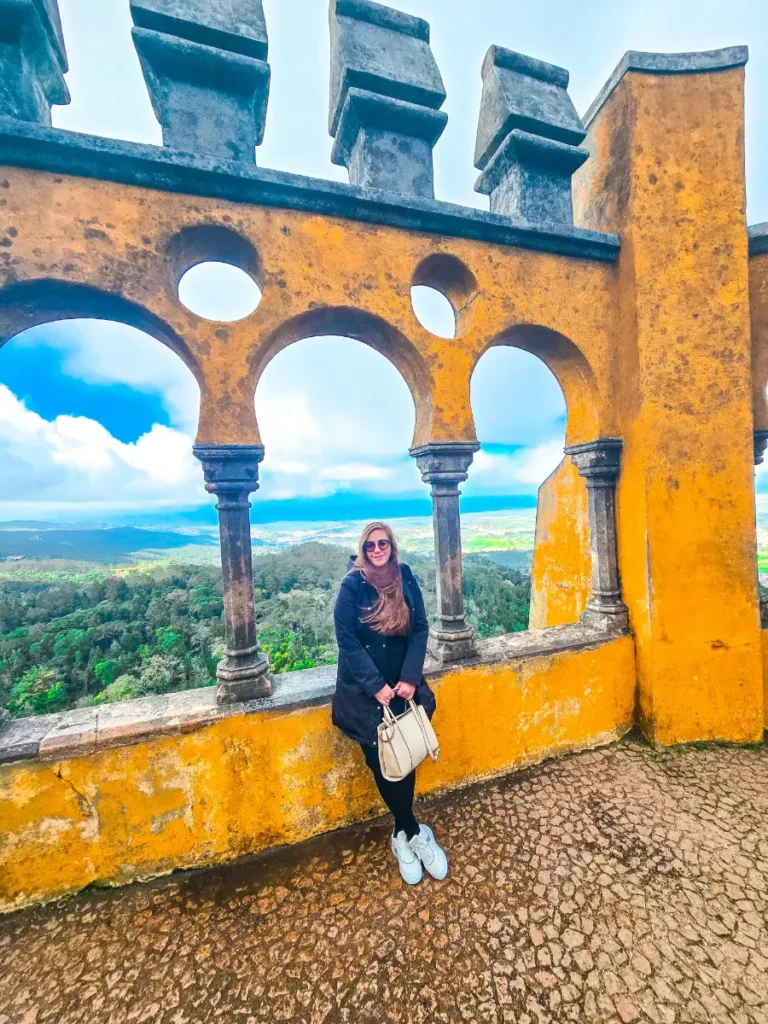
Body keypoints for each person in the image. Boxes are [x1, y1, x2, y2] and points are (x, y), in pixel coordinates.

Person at [332, 520, 448, 885]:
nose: (377, 550)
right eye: (370, 545)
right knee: (381, 761)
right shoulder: (352, 585)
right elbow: (347, 639)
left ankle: (404, 833)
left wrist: (410, 678)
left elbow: (421, 628)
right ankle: (410, 830)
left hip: (404, 688)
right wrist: (376, 686)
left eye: (383, 544)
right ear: (362, 549)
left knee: (408, 753)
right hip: (367, 695)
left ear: (392, 546)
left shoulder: (406, 576)